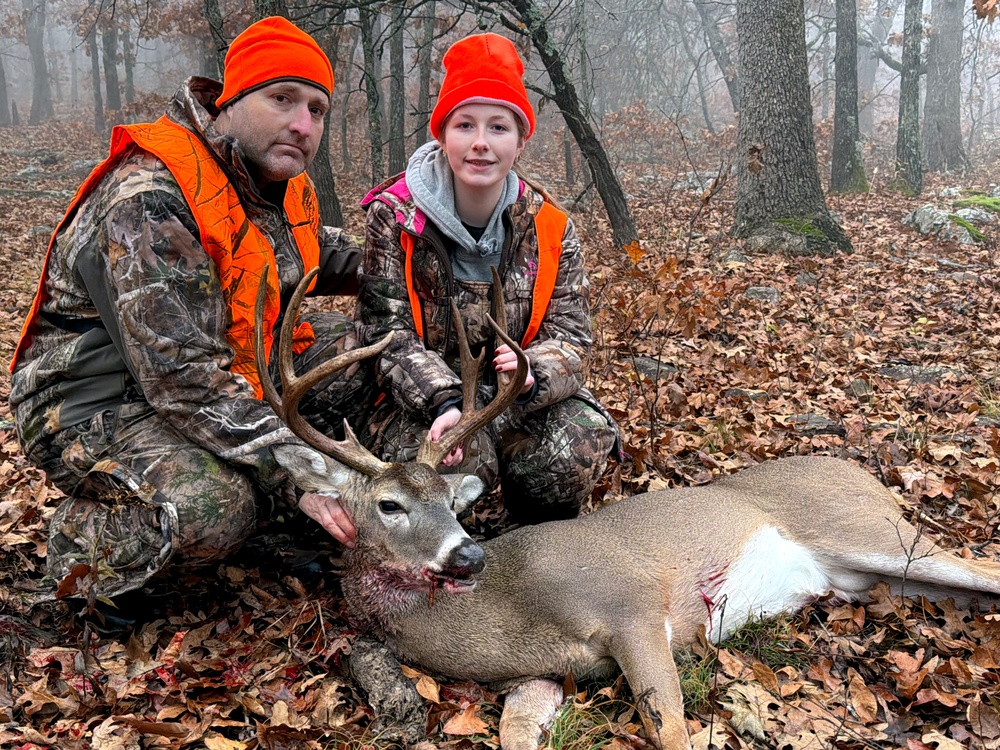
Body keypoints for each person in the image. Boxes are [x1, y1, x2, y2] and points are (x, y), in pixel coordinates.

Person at [9, 16, 366, 601]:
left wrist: (409, 254)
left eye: (318, 110)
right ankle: (88, 550)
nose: (302, 125)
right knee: (214, 507)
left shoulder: (271, 180)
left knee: (362, 355)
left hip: (222, 366)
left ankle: (272, 508)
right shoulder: (151, 197)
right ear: (230, 101)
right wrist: (299, 472)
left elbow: (304, 251)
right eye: (283, 99)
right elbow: (184, 378)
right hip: (94, 403)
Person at [357, 33, 619, 526]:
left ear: (520, 141)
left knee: (575, 445)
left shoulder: (550, 227)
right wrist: (444, 400)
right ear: (442, 136)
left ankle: (535, 540)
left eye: (498, 126)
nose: (480, 142)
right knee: (448, 466)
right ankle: (432, 558)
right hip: (427, 403)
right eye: (465, 124)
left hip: (517, 396)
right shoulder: (395, 218)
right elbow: (384, 336)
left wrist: (531, 371)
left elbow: (575, 339)